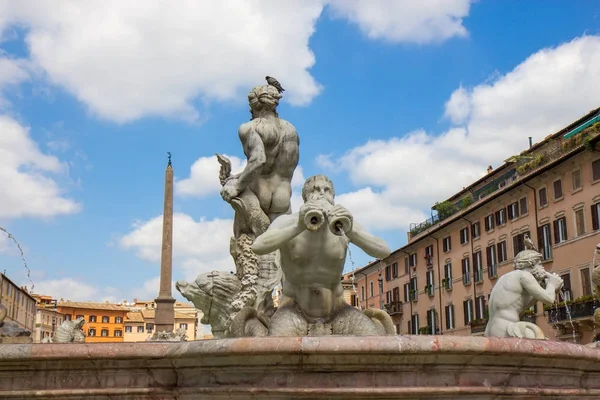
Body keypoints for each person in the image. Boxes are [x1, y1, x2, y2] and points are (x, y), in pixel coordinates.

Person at [252, 175, 392, 336]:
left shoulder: (343, 226)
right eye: (315, 190)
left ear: (333, 197)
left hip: (338, 309)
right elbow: (259, 246)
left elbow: (383, 251)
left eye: (327, 190)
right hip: (294, 309)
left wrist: (351, 230)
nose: (321, 193)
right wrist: (299, 225)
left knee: (370, 342)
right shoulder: (288, 222)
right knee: (278, 348)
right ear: (305, 198)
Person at [220, 84, 299, 237]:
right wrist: (239, 175)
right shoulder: (291, 130)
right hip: (282, 194)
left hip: (259, 193)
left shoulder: (251, 127)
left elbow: (259, 160)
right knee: (278, 252)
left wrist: (235, 187)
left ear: (253, 105)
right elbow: (285, 166)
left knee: (249, 244)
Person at [485, 249, 564, 339]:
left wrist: (548, 288)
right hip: (507, 328)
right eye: (540, 264)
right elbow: (549, 299)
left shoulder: (506, 277)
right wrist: (552, 284)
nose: (543, 268)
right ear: (532, 264)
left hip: (493, 329)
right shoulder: (524, 275)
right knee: (538, 338)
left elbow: (521, 305)